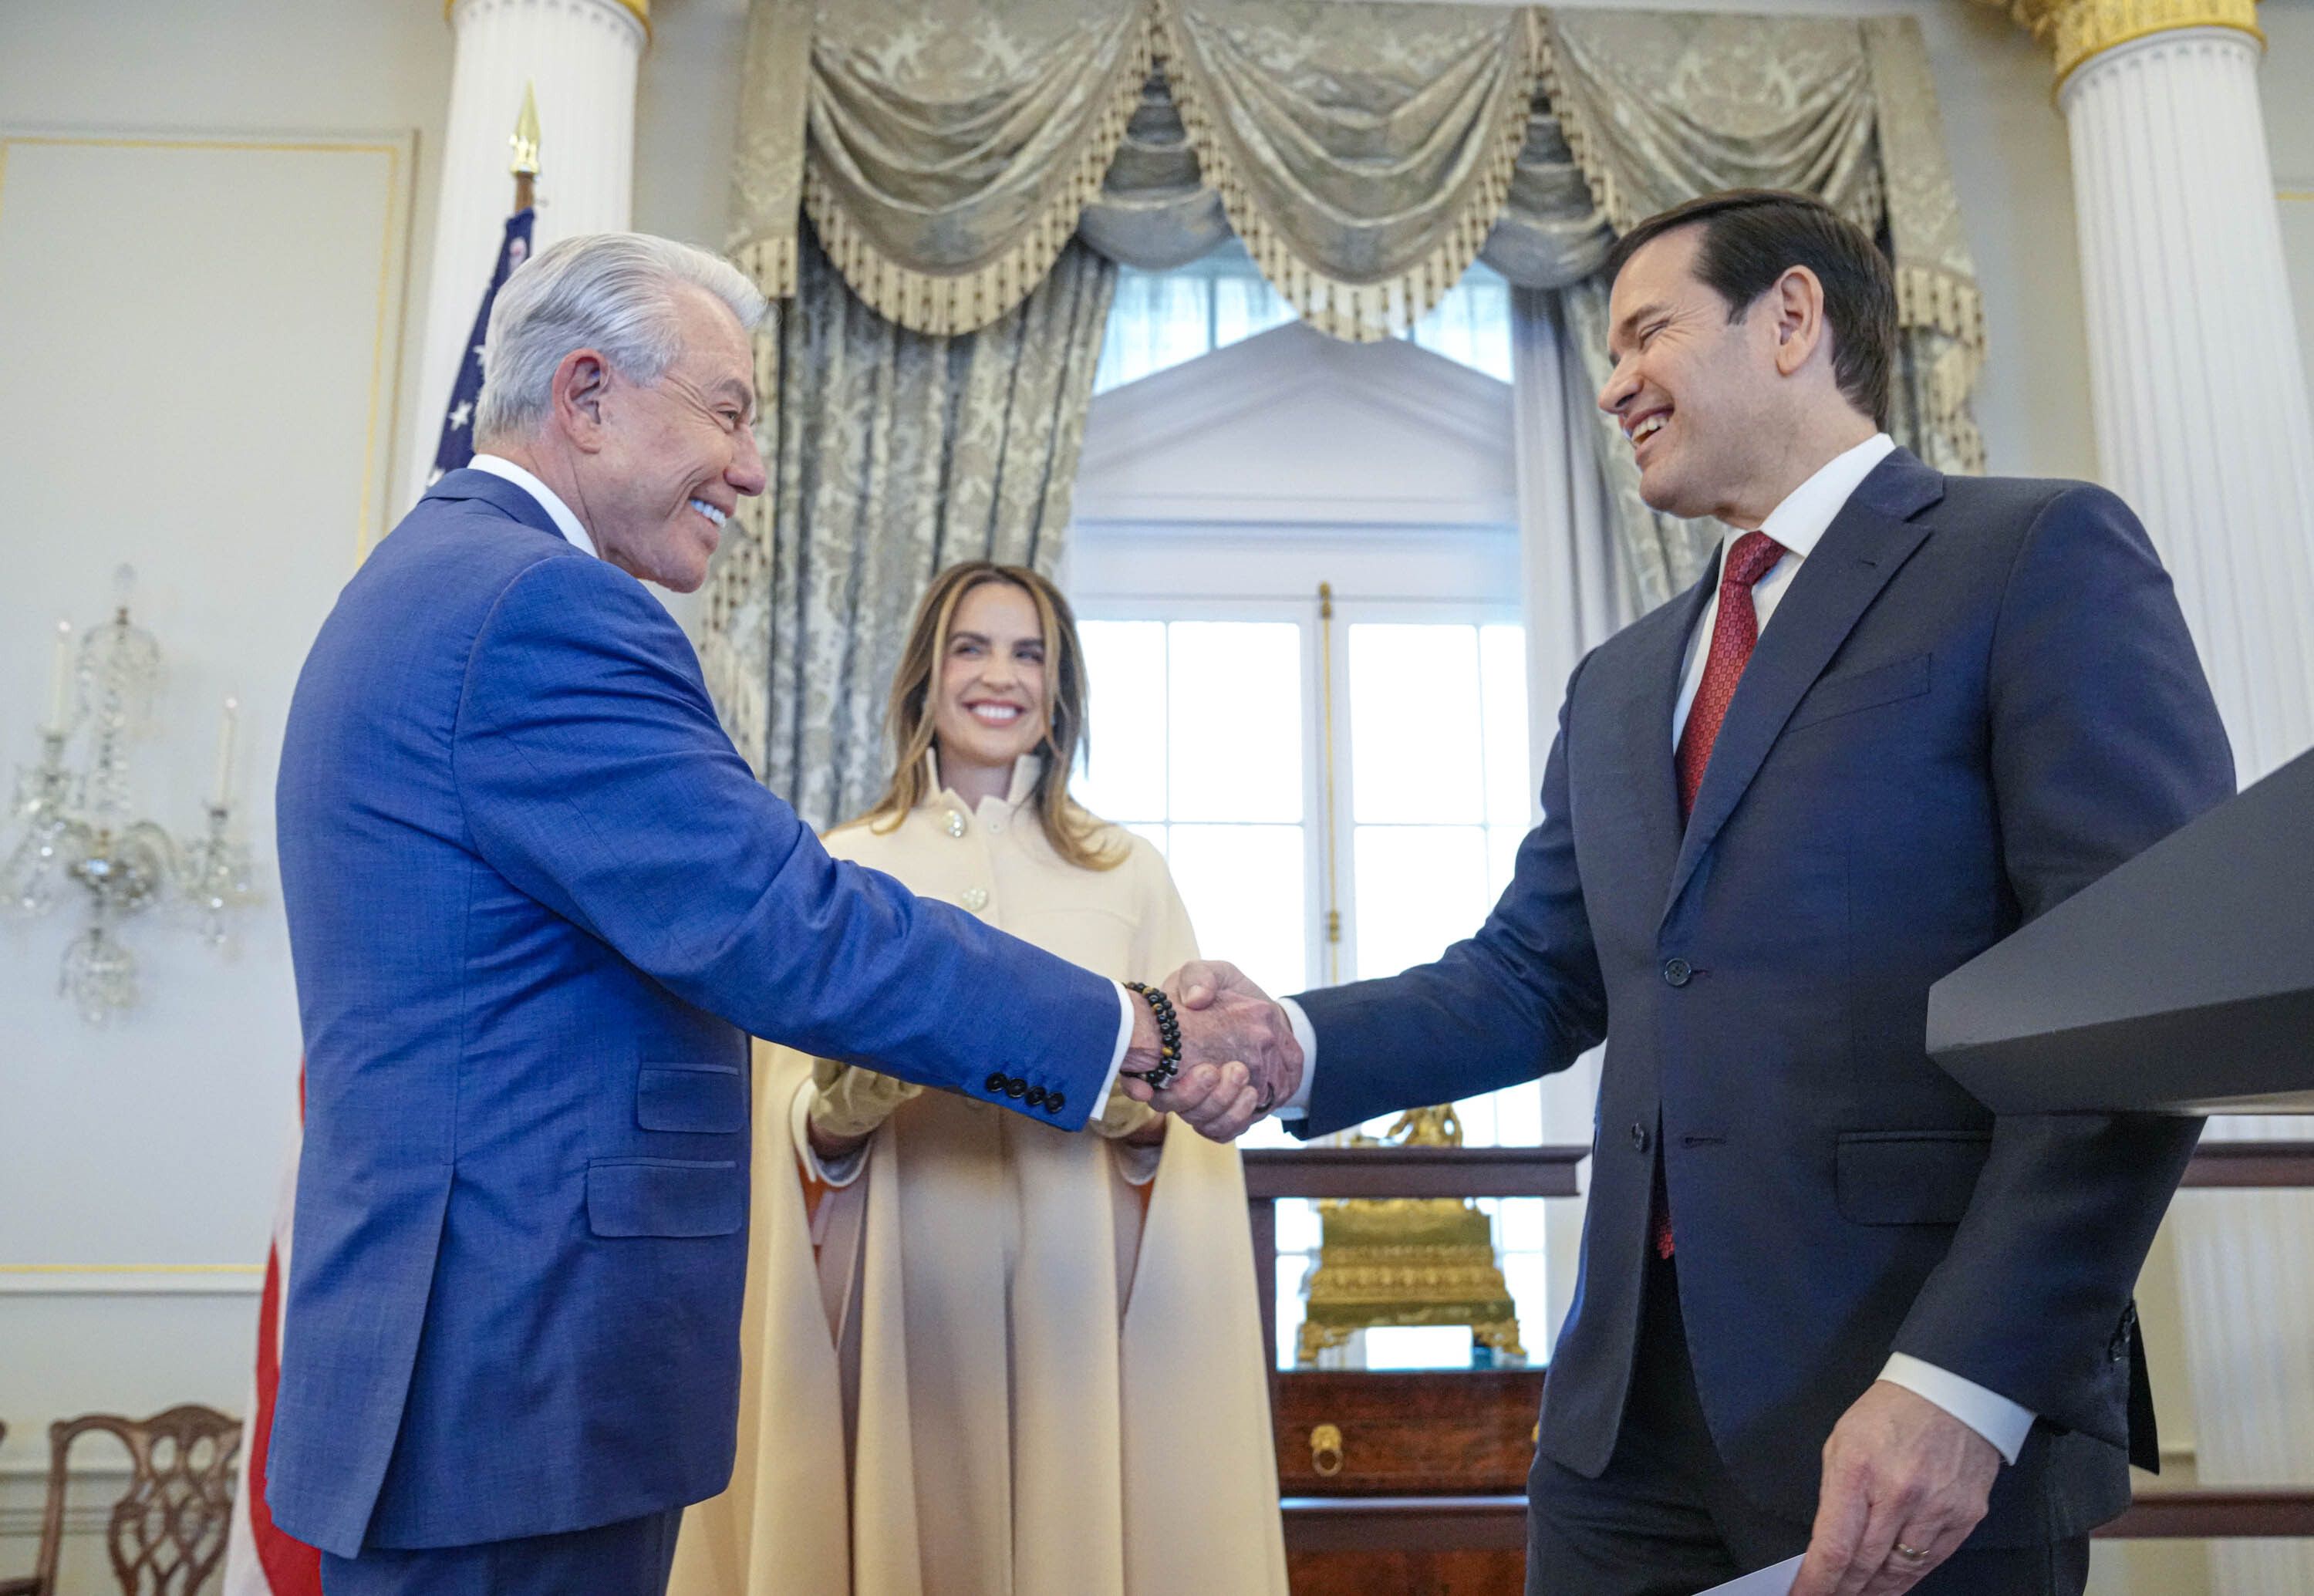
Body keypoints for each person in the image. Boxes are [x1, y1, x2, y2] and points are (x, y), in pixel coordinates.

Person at [1142, 190, 2234, 1596]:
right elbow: (1536, 977)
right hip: (1617, 1437)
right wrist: (1292, 1036)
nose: (1610, 384)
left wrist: (1968, 1383)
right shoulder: (1621, 679)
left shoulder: (2034, 558)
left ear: (1791, 318)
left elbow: (2140, 1002)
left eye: (1645, 331)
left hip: (1906, 1414)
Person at [270, 233, 1300, 1596]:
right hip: (516, 1375)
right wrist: (1142, 1027)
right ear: (586, 396)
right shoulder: (539, 609)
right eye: (731, 412)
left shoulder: (433, 582)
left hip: (484, 1369)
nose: (752, 468)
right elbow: (786, 922)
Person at [670, 562, 1289, 1596]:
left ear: (1060, 691)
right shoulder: (841, 867)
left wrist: (1136, 1112)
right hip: (900, 1305)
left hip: (1076, 1309)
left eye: (1028, 650)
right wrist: (837, 1113)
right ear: (926, 676)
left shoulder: (1128, 876)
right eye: (972, 645)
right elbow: (784, 1132)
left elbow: (1182, 1130)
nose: (999, 674)